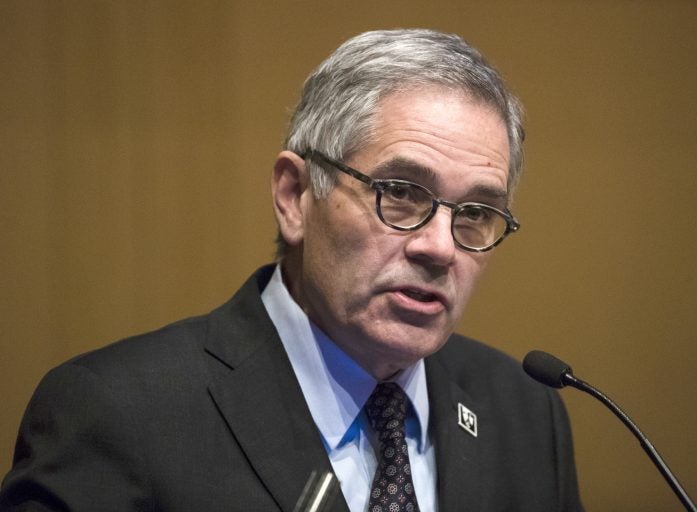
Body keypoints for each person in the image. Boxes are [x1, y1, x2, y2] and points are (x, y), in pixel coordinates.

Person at [0, 29, 583, 511]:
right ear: (295, 194)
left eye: (477, 212)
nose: (439, 248)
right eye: (401, 193)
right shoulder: (120, 413)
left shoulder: (525, 414)